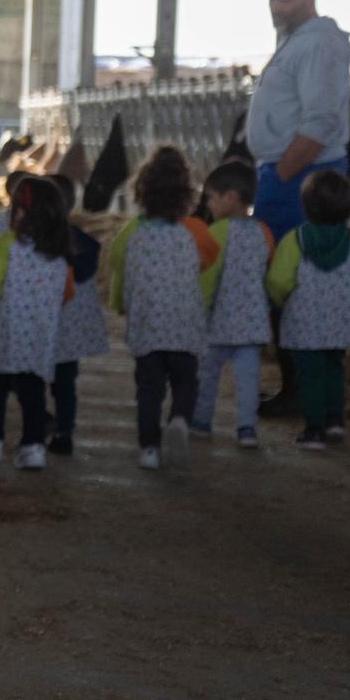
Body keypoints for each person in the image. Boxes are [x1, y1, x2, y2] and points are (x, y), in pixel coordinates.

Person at [248, 0, 350, 416]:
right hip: (286, 174)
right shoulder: (298, 40)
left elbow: (320, 120)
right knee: (283, 280)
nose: (277, 7)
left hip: (301, 177)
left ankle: (304, 391)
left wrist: (286, 174)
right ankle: (298, 386)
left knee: (294, 282)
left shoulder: (319, 43)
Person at [105, 146, 219, 472]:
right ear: (186, 194)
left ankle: (149, 449)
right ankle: (181, 420)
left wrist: (127, 311)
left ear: (141, 192)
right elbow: (197, 275)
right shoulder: (188, 236)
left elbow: (127, 281)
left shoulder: (135, 237)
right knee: (186, 381)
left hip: (149, 327)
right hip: (184, 325)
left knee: (149, 389)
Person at [0, 175, 73, 471]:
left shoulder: (4, 247)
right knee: (33, 391)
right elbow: (65, 293)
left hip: (5, 336)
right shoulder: (59, 255)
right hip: (40, 337)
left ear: (21, 213)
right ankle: (33, 447)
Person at [268, 169, 350, 450]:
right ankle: (335, 421)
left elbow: (278, 280)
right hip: (342, 323)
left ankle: (313, 430)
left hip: (305, 324)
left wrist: (281, 304)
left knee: (310, 375)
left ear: (305, 205)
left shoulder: (295, 240)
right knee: (335, 368)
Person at [192, 160, 274, 449]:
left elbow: (206, 278)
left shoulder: (216, 232)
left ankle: (201, 421)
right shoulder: (263, 231)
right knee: (249, 380)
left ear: (230, 197)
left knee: (206, 375)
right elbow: (269, 273)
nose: (209, 205)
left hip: (218, 322)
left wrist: (195, 309)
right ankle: (246, 429)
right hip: (252, 322)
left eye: (211, 198)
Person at [45, 174, 108, 455]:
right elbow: (85, 270)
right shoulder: (82, 242)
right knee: (65, 383)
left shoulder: (32, 243)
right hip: (69, 333)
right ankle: (63, 431)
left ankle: (40, 422)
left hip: (36, 325)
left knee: (23, 376)